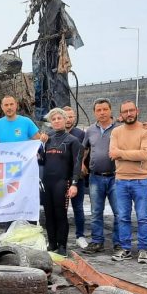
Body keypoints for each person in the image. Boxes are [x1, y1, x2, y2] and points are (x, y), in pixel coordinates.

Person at [109, 100, 147, 264]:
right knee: (123, 217)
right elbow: (111, 153)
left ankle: (143, 250)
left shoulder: (146, 131)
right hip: (121, 180)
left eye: (131, 110)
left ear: (137, 111)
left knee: (143, 217)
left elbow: (144, 155)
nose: (129, 114)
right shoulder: (116, 132)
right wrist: (125, 153)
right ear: (121, 114)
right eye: (125, 111)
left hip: (141, 180)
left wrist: (120, 153)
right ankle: (126, 249)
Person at [39, 108, 82, 256]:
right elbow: (41, 160)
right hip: (47, 182)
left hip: (62, 182)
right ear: (50, 122)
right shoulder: (47, 138)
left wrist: (74, 184)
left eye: (59, 118)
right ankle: (52, 243)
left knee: (61, 214)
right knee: (48, 214)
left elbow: (77, 164)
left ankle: (62, 245)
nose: (56, 121)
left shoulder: (73, 141)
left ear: (65, 120)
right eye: (54, 119)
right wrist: (41, 146)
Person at [81, 98, 121, 254]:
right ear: (94, 113)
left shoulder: (119, 128)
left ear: (111, 110)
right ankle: (97, 242)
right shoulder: (90, 130)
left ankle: (119, 243)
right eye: (99, 110)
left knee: (119, 212)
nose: (102, 112)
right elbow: (84, 149)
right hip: (95, 177)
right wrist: (82, 164)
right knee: (96, 211)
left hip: (116, 177)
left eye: (105, 109)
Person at [63, 105, 89, 249]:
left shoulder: (80, 133)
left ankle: (80, 236)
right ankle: (62, 237)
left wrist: (83, 163)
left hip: (76, 177)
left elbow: (86, 149)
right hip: (61, 178)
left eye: (71, 116)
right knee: (61, 210)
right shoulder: (55, 134)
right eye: (66, 116)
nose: (69, 119)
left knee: (78, 207)